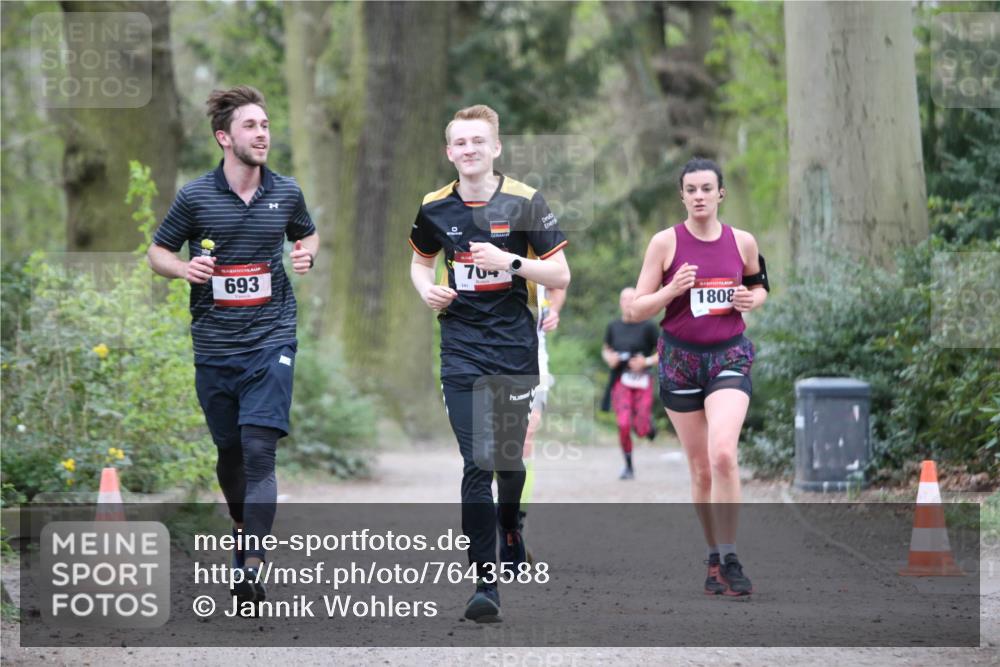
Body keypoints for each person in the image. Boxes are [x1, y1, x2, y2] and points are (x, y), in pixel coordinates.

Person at [147, 85, 319, 605]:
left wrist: (305, 254)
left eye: (265, 125)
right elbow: (157, 252)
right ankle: (243, 527)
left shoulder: (286, 192)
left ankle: (251, 560)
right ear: (225, 137)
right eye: (250, 126)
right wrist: (184, 268)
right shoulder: (195, 197)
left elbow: (306, 234)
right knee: (230, 452)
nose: (262, 134)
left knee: (259, 449)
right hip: (216, 346)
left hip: (272, 339)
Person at [409, 104, 570, 622]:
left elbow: (560, 274)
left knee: (507, 460)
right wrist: (426, 290)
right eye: (460, 142)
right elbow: (419, 260)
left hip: (512, 347)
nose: (469, 150)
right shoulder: (434, 206)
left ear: (495, 148)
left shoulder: (525, 202)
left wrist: (511, 263)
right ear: (449, 152)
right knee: (476, 461)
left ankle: (510, 525)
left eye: (479, 141)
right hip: (460, 345)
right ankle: (485, 583)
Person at [628, 157, 768, 597]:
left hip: (729, 354)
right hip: (680, 359)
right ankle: (713, 557)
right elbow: (634, 308)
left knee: (724, 453)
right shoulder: (665, 244)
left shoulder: (742, 241)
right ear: (683, 195)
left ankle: (731, 555)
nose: (700, 196)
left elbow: (760, 284)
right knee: (702, 469)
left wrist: (752, 298)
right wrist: (672, 290)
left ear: (720, 193)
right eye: (692, 189)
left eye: (708, 188)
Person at [516, 284, 566, 535]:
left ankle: (517, 528)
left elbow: (560, 283)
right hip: (486, 360)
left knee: (524, 440)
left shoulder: (540, 251)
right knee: (492, 451)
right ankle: (501, 516)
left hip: (535, 362)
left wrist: (553, 310)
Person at [601, 287, 659, 480]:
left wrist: (646, 362)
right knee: (623, 424)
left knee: (641, 429)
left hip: (643, 380)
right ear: (620, 303)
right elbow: (606, 349)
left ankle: (648, 427)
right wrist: (610, 358)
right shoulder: (614, 326)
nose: (627, 302)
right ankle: (628, 466)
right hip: (621, 380)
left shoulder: (649, 327)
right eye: (624, 299)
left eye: (631, 298)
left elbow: (664, 352)